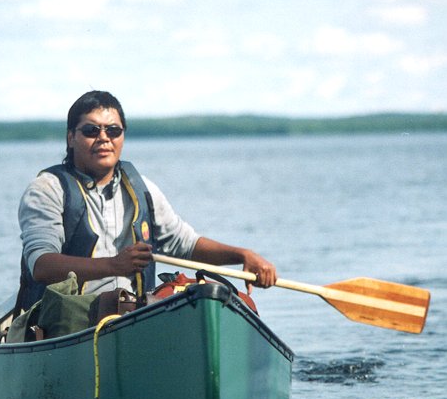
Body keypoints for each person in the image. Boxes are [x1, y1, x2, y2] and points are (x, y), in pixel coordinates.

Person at [16, 90, 276, 311]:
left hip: (131, 313)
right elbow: (41, 265)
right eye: (91, 130)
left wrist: (243, 255)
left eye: (113, 130)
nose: (104, 138)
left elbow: (184, 244)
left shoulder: (144, 189)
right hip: (68, 319)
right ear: (71, 137)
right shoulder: (47, 189)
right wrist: (114, 265)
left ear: (123, 136)